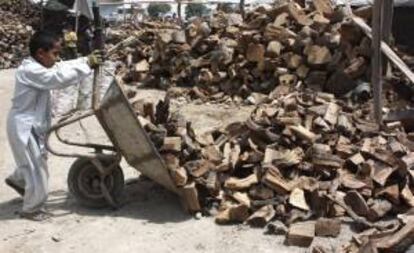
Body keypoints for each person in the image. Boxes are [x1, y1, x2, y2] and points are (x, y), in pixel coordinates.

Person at [5, 30, 103, 221]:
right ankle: (32, 209)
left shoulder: (40, 65)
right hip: (24, 127)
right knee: (37, 168)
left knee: (34, 161)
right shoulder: (30, 71)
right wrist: (87, 66)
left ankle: (18, 180)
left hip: (31, 124)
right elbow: (57, 79)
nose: (57, 58)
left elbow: (61, 67)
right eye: (55, 54)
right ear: (41, 53)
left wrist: (85, 60)